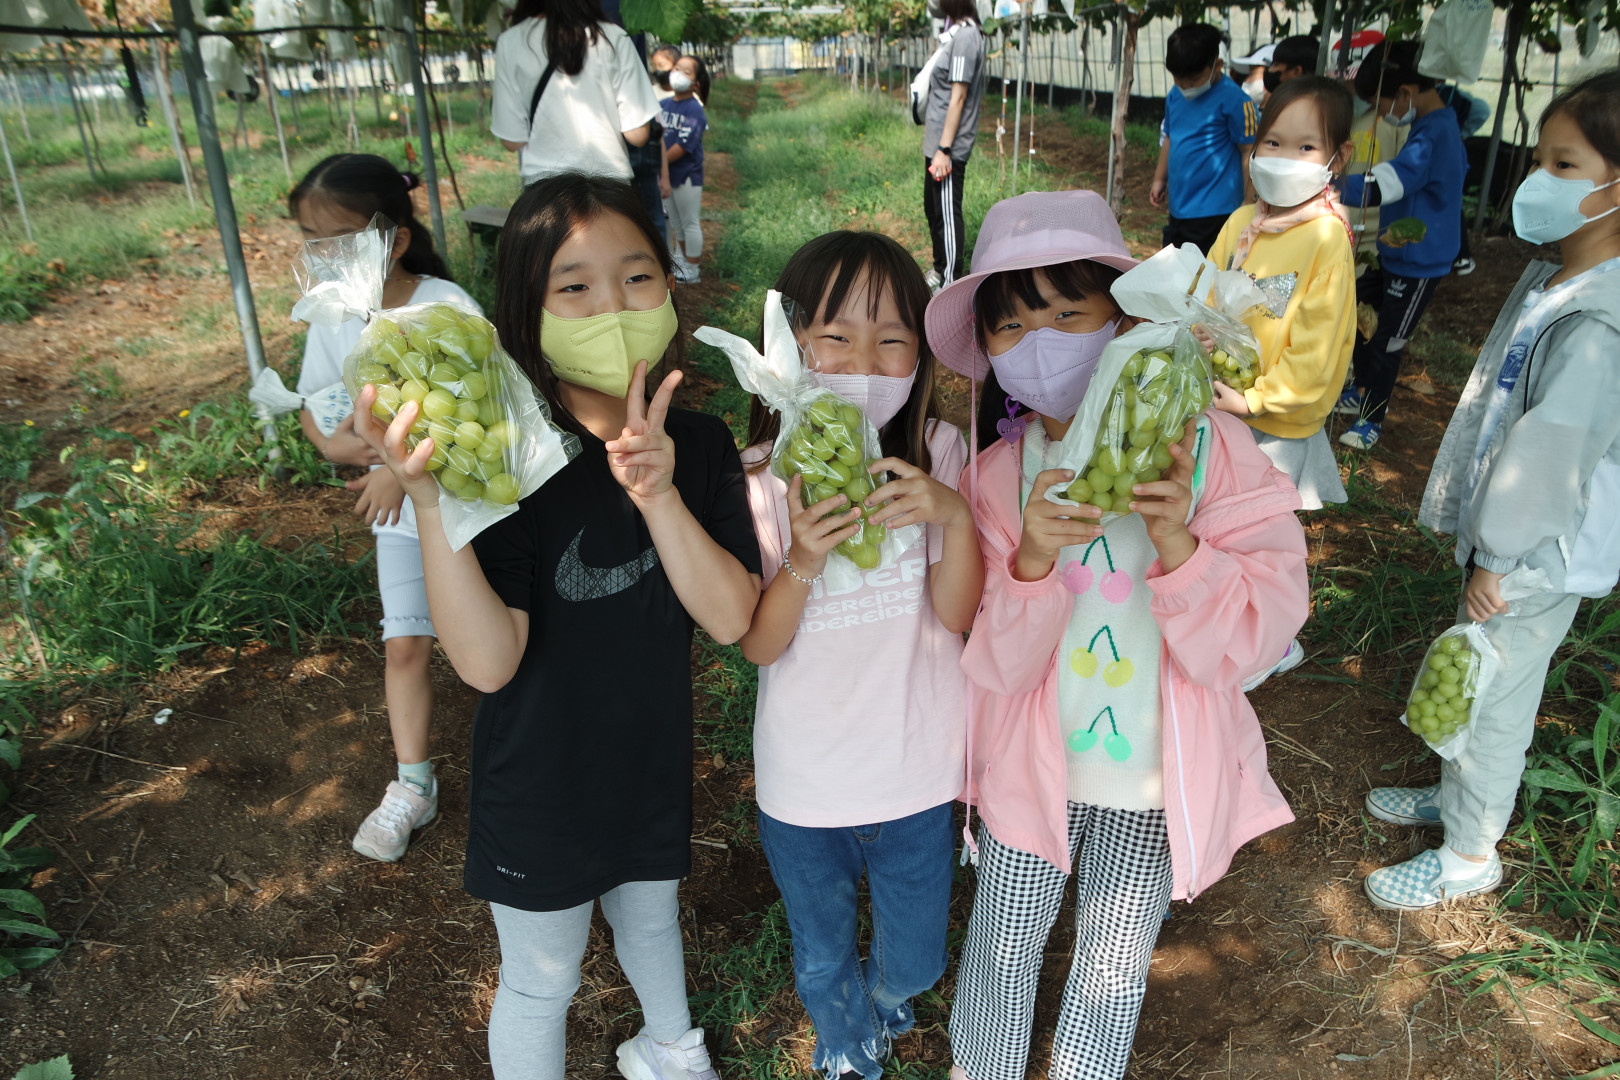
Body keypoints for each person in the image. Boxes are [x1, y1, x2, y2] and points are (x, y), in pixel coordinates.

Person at [352, 173, 762, 1080]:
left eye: (637, 277)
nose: (611, 306)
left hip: (648, 758)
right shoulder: (506, 464)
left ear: (669, 285)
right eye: (574, 287)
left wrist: (657, 495)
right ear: (524, 312)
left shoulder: (699, 446)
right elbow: (487, 664)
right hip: (540, 784)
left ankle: (671, 1048)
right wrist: (433, 500)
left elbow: (733, 617)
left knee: (651, 916)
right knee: (542, 979)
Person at [925, 189, 1307, 1080]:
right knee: (1003, 941)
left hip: (1151, 778)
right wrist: (1029, 560)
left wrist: (1181, 545)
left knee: (1112, 958)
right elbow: (995, 660)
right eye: (1012, 326)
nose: (1042, 342)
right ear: (987, 350)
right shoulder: (997, 478)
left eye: (1069, 314)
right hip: (1030, 769)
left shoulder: (1209, 454)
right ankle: (981, 1066)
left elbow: (1259, 632)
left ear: (1126, 321)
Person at [1364, 71, 1620, 910]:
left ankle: (1470, 853)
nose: (1538, 179)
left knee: (1496, 693)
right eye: (1540, 158)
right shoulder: (1566, 280)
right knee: (1481, 675)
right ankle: (1460, 797)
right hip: (1520, 546)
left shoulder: (1597, 322)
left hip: (1535, 552)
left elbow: (1551, 455)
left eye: (1565, 165)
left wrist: (1500, 555)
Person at [735, 230, 982, 1080]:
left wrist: (952, 515)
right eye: (835, 338)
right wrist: (803, 557)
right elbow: (760, 641)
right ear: (788, 346)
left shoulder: (938, 454)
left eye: (892, 340)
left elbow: (956, 615)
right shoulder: (760, 478)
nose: (864, 364)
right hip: (804, 782)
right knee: (820, 951)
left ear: (921, 356)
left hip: (918, 771)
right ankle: (843, 1037)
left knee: (916, 958)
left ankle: (888, 994)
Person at [288, 153, 479, 864]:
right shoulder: (332, 315)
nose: (323, 257)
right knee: (405, 643)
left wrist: (400, 474)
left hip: (470, 510)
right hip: (399, 514)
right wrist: (330, 443)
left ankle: (537, 757)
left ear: (394, 239)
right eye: (311, 241)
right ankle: (413, 784)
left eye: (337, 240)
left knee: (497, 643)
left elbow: (478, 412)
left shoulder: (446, 305)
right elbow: (316, 401)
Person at [1208, 76, 1357, 514]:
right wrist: (1200, 329)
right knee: (1214, 511)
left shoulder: (1326, 239)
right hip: (1220, 403)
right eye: (1272, 142)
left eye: (1306, 147)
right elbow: (1206, 293)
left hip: (1276, 426)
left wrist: (1254, 400)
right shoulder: (1241, 223)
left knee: (1259, 520)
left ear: (1338, 157)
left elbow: (1315, 351)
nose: (1284, 158)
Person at [1334, 39, 1466, 450]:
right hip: (1393, 252)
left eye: (1381, 103)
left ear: (1406, 93)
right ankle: (1358, 392)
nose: (1380, 114)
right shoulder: (1426, 125)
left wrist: (1333, 185)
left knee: (1389, 341)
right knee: (1359, 314)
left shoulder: (1436, 134)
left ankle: (1371, 420)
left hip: (1418, 263)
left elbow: (1392, 181)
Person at [490, 0, 661, 186]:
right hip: (609, 186)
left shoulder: (511, 41)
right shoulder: (614, 37)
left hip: (544, 188)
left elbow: (512, 141)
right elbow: (637, 135)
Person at [1151, 23, 1259, 254]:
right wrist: (1159, 179)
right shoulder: (1175, 95)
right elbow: (1170, 137)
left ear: (1217, 66)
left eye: (1193, 80)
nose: (1185, 87)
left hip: (1216, 211)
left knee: (1205, 267)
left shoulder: (1236, 101)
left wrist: (1249, 202)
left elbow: (1249, 152)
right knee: (1176, 264)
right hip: (1180, 206)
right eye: (1178, 79)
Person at [920, 0, 986, 292]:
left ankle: (950, 283)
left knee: (946, 215)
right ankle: (939, 269)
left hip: (948, 149)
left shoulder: (967, 37)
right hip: (937, 146)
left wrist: (945, 150)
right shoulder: (956, 33)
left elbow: (958, 96)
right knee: (933, 210)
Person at [660, 55, 708, 285]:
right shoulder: (663, 105)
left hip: (687, 174)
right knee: (676, 223)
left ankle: (693, 268)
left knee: (689, 222)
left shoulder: (694, 110)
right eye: (677, 68)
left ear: (696, 83)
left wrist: (659, 162)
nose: (678, 74)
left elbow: (683, 146)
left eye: (686, 72)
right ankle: (681, 263)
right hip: (666, 175)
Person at [1437, 81, 1492, 275]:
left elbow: (1482, 110)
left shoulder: (1450, 94)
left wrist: (1460, 134)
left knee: (1451, 204)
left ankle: (1461, 256)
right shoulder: (1443, 94)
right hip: (1445, 155)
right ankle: (1456, 256)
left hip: (1447, 156)